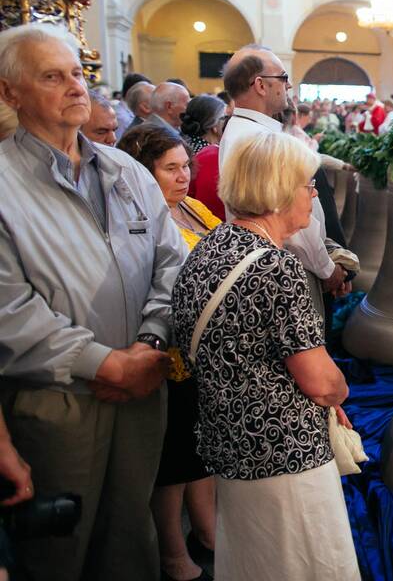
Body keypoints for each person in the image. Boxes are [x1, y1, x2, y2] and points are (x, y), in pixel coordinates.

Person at [0, 23, 184, 580]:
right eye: (52, 77)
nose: (76, 87)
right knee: (62, 548)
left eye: (77, 73)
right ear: (11, 94)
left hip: (143, 386)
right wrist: (105, 363)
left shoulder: (126, 170)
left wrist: (150, 344)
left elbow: (170, 263)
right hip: (60, 401)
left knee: (132, 536)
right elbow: (10, 309)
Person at [172, 132, 360, 581]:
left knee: (252, 559)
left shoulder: (210, 249)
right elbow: (319, 381)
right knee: (303, 562)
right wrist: (340, 390)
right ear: (278, 192)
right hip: (285, 454)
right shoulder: (277, 266)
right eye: (307, 184)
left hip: (230, 447)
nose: (315, 194)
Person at [117, 125, 218, 581]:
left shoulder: (192, 207)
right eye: (170, 168)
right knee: (173, 457)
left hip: (204, 350)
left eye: (186, 166)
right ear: (144, 173)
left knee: (200, 448)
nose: (183, 176)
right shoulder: (138, 218)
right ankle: (173, 552)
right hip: (170, 351)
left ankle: (207, 529)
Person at [219, 45, 350, 319]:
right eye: (283, 77)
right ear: (260, 85)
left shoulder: (247, 129)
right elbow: (291, 224)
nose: (288, 85)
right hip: (291, 268)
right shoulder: (258, 139)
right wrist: (327, 269)